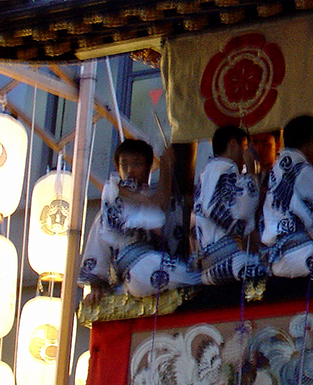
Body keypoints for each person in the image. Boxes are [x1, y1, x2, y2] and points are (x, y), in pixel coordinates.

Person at [79, 138, 200, 299]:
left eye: (137, 164)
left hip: (159, 261)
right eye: (124, 164)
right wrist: (96, 285)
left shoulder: (165, 201)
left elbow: (167, 212)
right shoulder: (113, 202)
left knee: (189, 273)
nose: (130, 169)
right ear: (117, 167)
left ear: (149, 167)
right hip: (135, 268)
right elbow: (98, 245)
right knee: (194, 280)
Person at [261, 114, 313, 278]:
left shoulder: (280, 165)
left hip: (275, 255)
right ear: (311, 141)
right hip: (298, 252)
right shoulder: (300, 167)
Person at [191, 125, 265, 283]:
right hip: (226, 259)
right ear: (233, 144)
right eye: (244, 146)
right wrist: (251, 172)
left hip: (210, 260)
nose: (245, 153)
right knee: (270, 271)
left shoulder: (208, 171)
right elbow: (240, 208)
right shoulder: (225, 168)